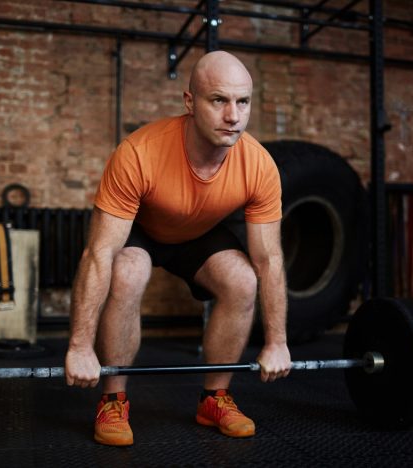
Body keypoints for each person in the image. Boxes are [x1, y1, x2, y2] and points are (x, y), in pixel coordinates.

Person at [65, 50, 292, 446]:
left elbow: (268, 259)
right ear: (190, 103)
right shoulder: (139, 153)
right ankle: (113, 399)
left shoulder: (259, 165)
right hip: (144, 230)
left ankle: (215, 398)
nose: (233, 116)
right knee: (127, 269)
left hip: (199, 235)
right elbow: (98, 253)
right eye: (218, 100)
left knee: (242, 279)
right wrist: (79, 347)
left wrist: (277, 342)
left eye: (243, 102)